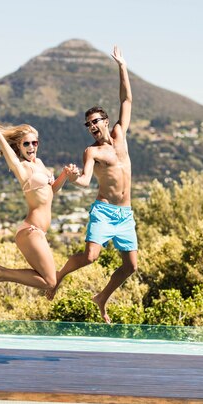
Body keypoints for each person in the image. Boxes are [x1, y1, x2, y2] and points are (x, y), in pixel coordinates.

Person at [47, 46, 138, 323]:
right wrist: (73, 177)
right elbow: (86, 181)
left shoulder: (120, 134)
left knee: (131, 266)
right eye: (88, 124)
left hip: (125, 215)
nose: (92, 127)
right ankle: (58, 275)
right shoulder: (92, 152)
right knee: (90, 257)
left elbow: (127, 99)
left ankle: (101, 298)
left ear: (105, 121)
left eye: (95, 121)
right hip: (104, 210)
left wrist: (122, 66)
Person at [0, 97, 79, 291]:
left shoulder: (39, 164)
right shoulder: (21, 167)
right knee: (51, 282)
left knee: (50, 282)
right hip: (30, 231)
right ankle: (1, 273)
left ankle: (3, 273)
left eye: (35, 143)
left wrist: (64, 175)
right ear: (19, 146)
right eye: (26, 144)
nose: (31, 147)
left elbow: (51, 191)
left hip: (39, 232)